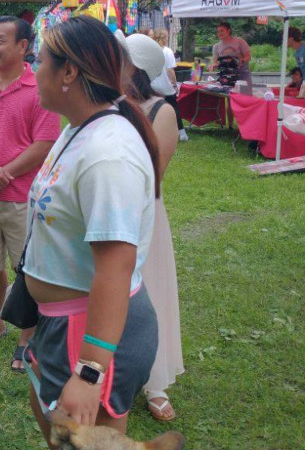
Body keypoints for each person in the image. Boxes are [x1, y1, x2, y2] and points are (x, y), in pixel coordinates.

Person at [26, 15, 159, 438]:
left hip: (88, 332)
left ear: (68, 72)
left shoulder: (108, 154)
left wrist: (88, 373)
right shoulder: (80, 129)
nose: (34, 70)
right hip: (61, 322)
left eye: (39, 60)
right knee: (57, 436)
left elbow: (115, 269)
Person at [0, 16, 60, 372]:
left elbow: (45, 142)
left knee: (26, 270)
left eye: (1, 41)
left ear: (23, 46)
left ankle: (28, 336)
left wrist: (2, 174)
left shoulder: (39, 89)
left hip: (23, 198)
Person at [123, 33, 184, 423]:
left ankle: (156, 383)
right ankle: (116, 372)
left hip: (144, 213)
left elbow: (154, 174)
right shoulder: (108, 103)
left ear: (136, 70)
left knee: (151, 293)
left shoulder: (162, 111)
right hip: (109, 210)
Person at [150, 28, 188, 142]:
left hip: (152, 84)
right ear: (164, 37)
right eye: (167, 36)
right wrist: (175, 85)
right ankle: (182, 133)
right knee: (174, 109)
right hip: (165, 85)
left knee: (153, 109)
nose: (167, 38)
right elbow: (171, 70)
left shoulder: (150, 50)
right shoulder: (167, 51)